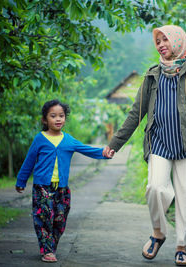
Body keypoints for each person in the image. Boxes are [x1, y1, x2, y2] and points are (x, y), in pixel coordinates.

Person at [104, 25, 186, 266]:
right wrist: (116, 143)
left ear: (178, 41)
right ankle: (158, 233)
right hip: (159, 142)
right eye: (158, 41)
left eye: (165, 39)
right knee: (156, 188)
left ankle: (181, 247)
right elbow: (136, 113)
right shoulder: (152, 75)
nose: (160, 44)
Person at [15, 99, 114, 263]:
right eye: (53, 116)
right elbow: (29, 161)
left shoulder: (68, 140)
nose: (58, 119)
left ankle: (51, 247)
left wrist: (104, 153)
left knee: (59, 220)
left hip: (62, 189)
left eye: (61, 115)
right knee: (43, 218)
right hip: (42, 188)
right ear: (45, 120)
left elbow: (87, 150)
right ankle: (47, 250)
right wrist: (21, 181)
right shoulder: (40, 139)